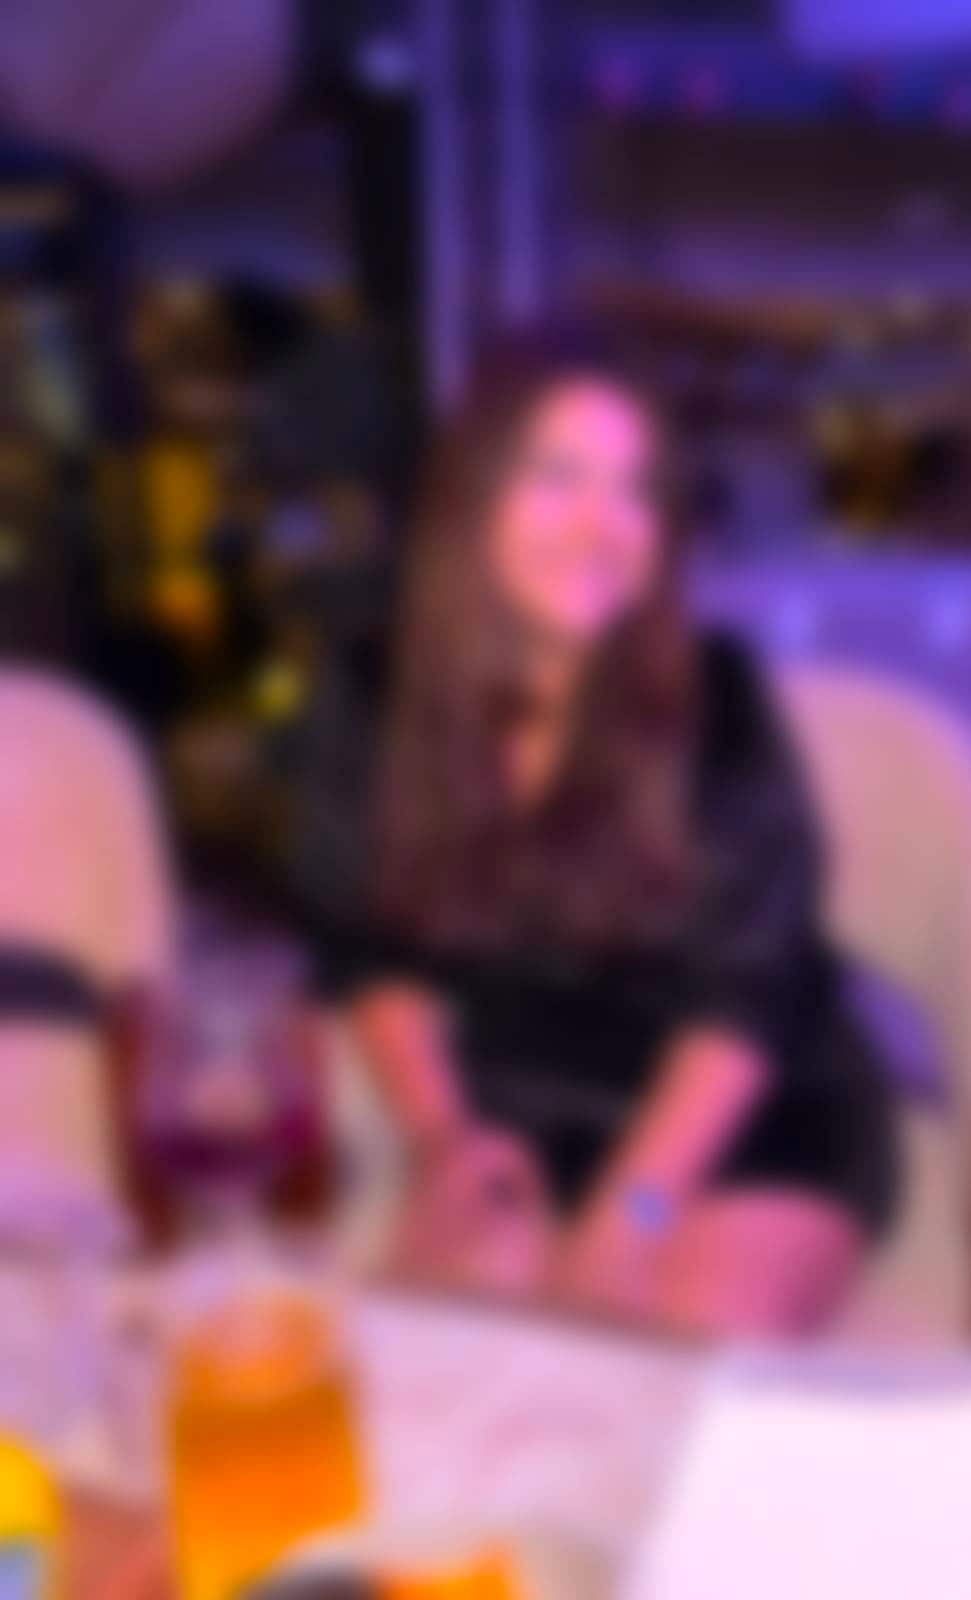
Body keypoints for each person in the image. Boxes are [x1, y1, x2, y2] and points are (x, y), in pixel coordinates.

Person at [290, 332, 897, 1337]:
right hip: (518, 1113)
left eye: (633, 490)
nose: (601, 525)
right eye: (558, 476)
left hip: (744, 1123)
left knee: (662, 1381)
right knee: (446, 1375)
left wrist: (632, 1214)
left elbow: (749, 1001)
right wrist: (444, 1143)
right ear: (473, 495)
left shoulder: (721, 697)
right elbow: (366, 949)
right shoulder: (371, 694)